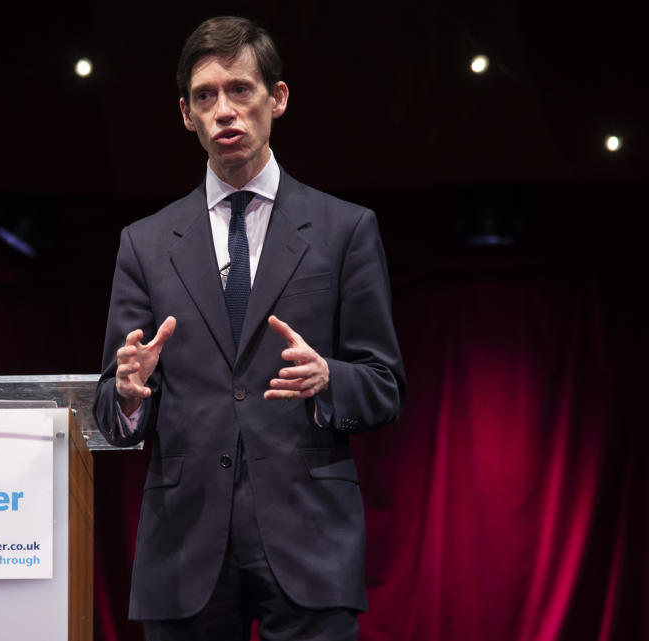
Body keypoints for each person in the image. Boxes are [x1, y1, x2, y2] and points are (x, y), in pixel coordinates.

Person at [93, 15, 407, 641]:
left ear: (277, 99)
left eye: (240, 89)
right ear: (187, 114)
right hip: (184, 545)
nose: (224, 110)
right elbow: (110, 407)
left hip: (309, 538)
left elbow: (384, 384)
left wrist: (329, 380)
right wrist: (127, 394)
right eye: (206, 96)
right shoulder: (146, 243)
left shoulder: (345, 230)